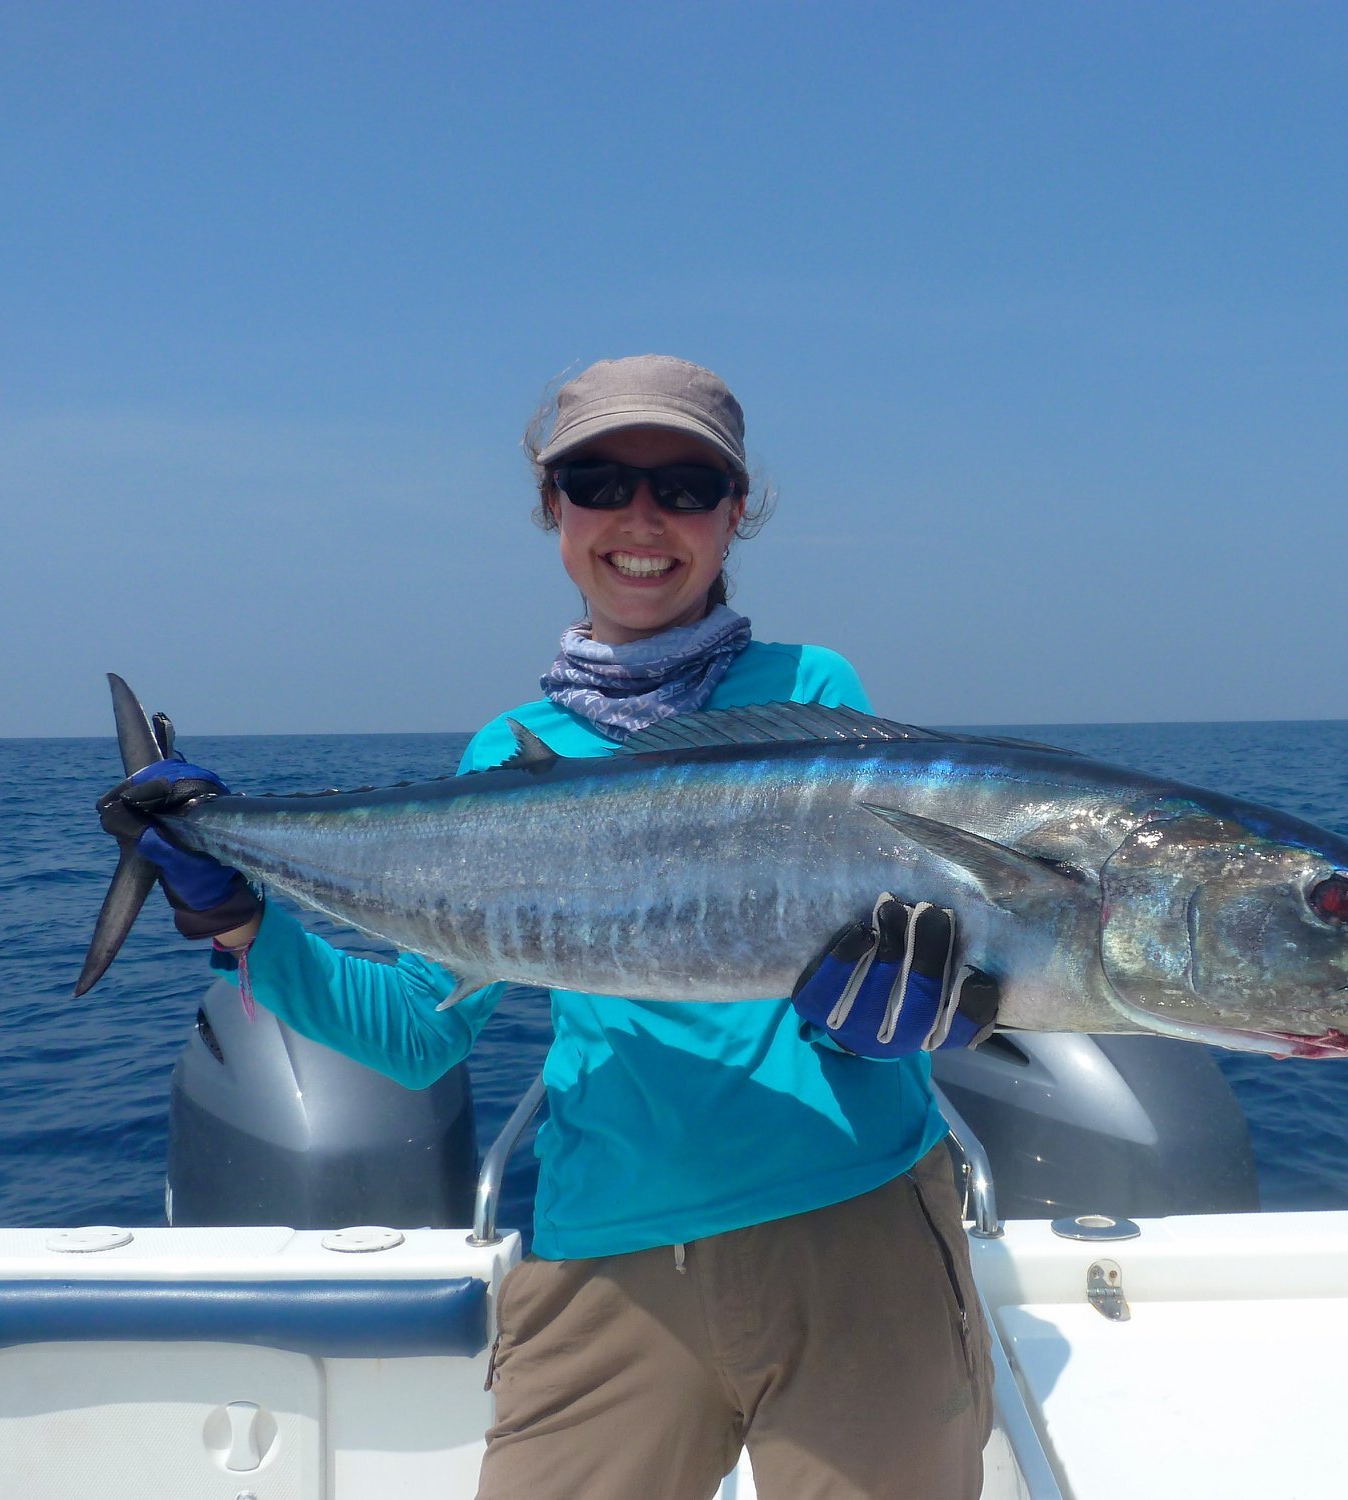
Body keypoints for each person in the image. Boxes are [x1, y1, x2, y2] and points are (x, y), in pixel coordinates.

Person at [96, 355, 999, 1500]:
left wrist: (888, 1024)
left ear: (733, 516)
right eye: (597, 479)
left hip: (848, 1221)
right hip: (604, 1244)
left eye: (683, 485)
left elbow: (847, 960)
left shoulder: (812, 693)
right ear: (551, 508)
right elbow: (422, 1029)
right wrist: (239, 920)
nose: (640, 517)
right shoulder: (506, 756)